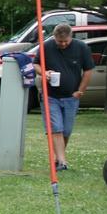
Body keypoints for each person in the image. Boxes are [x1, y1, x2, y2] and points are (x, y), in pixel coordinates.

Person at [32, 23, 94, 171]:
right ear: (54, 37)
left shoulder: (81, 48)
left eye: (66, 41)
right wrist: (44, 73)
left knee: (66, 130)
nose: (63, 44)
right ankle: (62, 162)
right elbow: (36, 64)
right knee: (56, 128)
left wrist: (80, 91)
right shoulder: (46, 47)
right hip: (50, 96)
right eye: (60, 42)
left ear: (71, 37)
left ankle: (57, 158)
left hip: (71, 96)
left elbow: (88, 70)